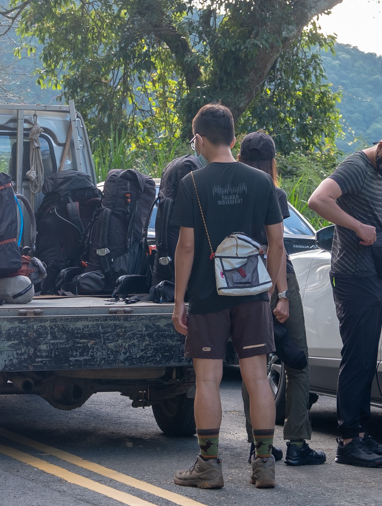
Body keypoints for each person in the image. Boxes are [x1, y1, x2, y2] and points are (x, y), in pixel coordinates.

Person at [171, 104, 285, 489]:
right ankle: (265, 464)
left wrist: (178, 301)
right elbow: (276, 243)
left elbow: (186, 248)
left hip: (208, 293)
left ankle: (209, 464)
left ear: (199, 139)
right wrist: (276, 290)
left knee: (208, 380)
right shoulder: (261, 182)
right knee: (257, 377)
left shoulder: (192, 184)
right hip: (253, 292)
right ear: (234, 139)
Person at [307, 124, 382, 468]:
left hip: (372, 273)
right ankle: (349, 440)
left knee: (367, 356)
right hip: (352, 275)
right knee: (356, 357)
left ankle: (362, 433)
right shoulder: (355, 166)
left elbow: (367, 214)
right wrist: (356, 227)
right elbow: (318, 199)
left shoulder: (379, 174)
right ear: (381, 147)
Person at [237, 132, 326, 468]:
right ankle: (298, 443)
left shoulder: (231, 191)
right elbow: (277, 245)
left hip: (242, 281)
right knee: (297, 360)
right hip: (277, 278)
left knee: (253, 366)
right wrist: (283, 294)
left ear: (242, 157)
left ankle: (257, 442)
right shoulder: (273, 192)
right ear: (272, 160)